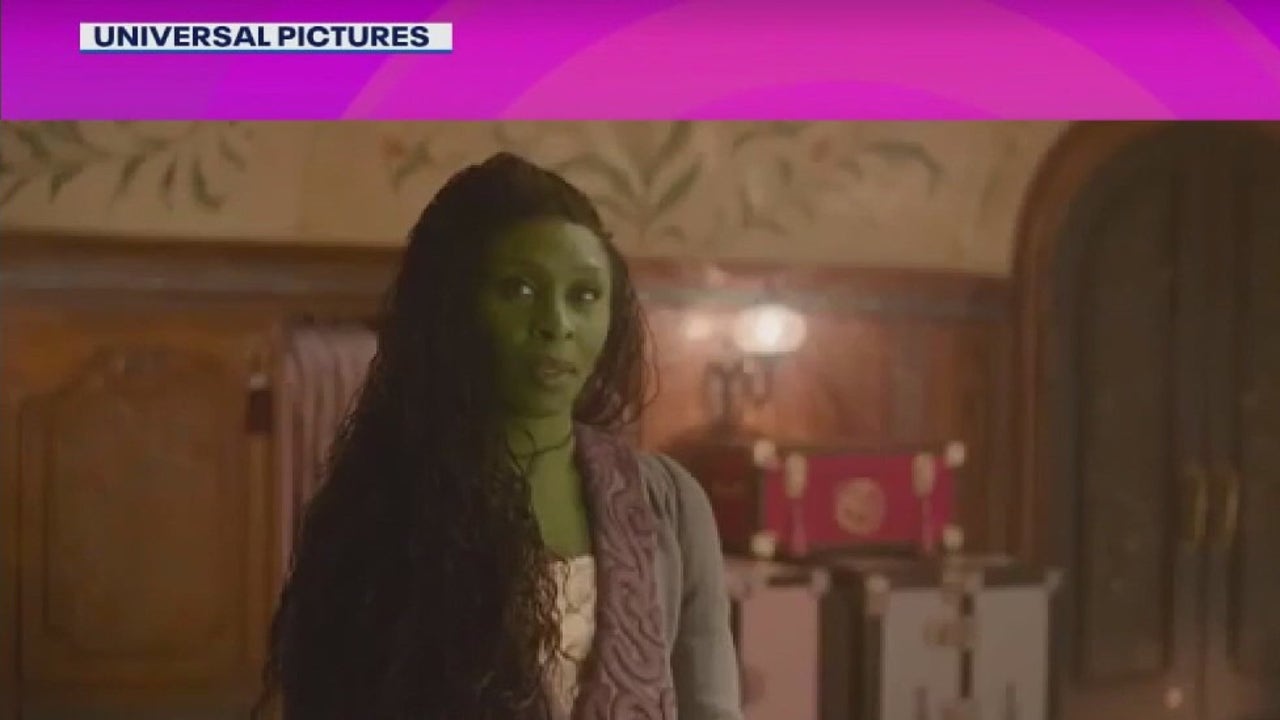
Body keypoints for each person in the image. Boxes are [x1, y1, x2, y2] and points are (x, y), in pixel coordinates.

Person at [256, 152, 743, 719]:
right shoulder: (385, 504)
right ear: (455, 308)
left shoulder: (668, 503)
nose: (556, 323)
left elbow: (711, 707)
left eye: (584, 295)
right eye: (519, 289)